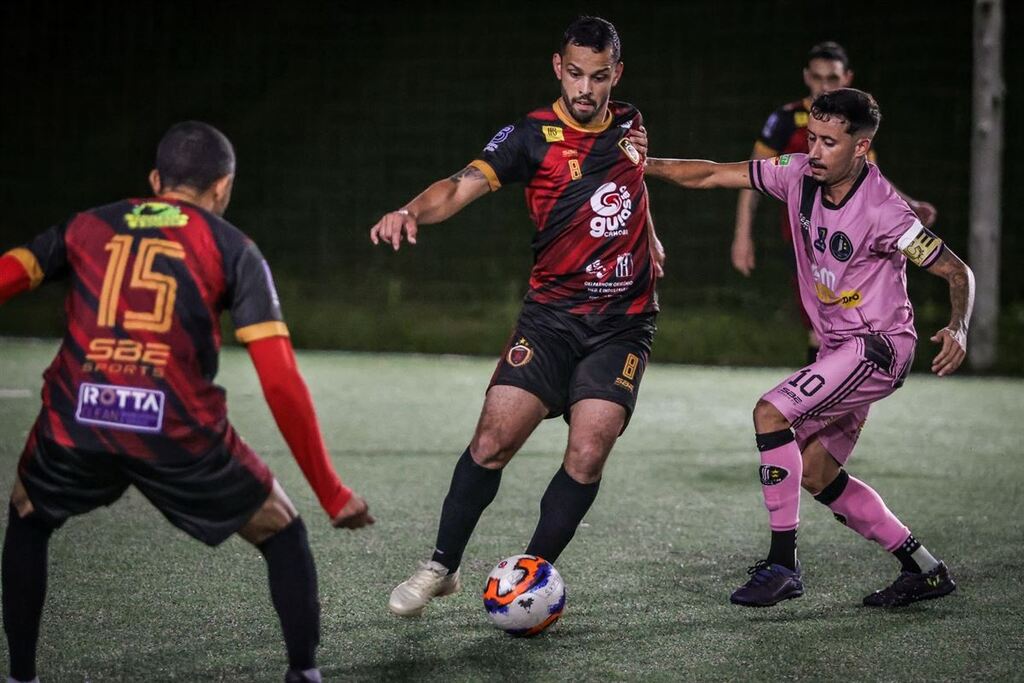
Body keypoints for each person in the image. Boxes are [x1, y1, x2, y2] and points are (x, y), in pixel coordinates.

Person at [0, 121, 374, 683]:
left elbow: (10, 273)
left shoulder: (86, 225)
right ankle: (305, 674)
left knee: (28, 515)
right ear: (223, 186)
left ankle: (21, 676)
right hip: (174, 430)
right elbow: (278, 381)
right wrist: (330, 489)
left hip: (79, 416)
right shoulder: (234, 248)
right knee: (283, 529)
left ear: (155, 180)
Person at [370, 16, 663, 617]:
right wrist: (410, 211)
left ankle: (529, 576)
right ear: (558, 68)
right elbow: (458, 186)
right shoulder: (529, 135)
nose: (586, 89)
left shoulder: (631, 122)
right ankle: (441, 566)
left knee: (588, 449)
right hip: (551, 317)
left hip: (623, 321)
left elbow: (633, 188)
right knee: (492, 440)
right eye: (575, 74)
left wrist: (650, 238)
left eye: (599, 77)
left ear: (617, 75)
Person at [646, 88, 973, 607]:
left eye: (830, 143)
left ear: (861, 148)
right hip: (840, 351)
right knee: (817, 473)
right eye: (813, 139)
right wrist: (642, 163)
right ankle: (925, 569)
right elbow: (710, 173)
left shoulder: (886, 210)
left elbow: (957, 271)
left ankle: (783, 565)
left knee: (770, 413)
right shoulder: (795, 172)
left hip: (878, 348)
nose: (815, 152)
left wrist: (959, 326)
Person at [731, 42, 938, 364]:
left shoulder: (854, 123)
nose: (824, 86)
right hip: (807, 238)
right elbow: (750, 178)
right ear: (806, 77)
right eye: (817, 78)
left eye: (832, 78)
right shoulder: (786, 119)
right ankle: (822, 394)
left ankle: (830, 392)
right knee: (821, 322)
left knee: (844, 321)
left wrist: (908, 203)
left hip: (855, 239)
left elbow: (872, 178)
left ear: (848, 77)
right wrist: (742, 236)